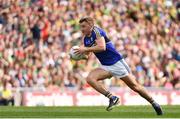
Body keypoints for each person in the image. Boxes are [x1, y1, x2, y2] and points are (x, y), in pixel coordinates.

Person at [74, 16, 163, 115]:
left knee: (135, 87)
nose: (82, 29)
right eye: (81, 27)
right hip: (105, 66)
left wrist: (85, 49)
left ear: (91, 25)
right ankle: (112, 98)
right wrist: (77, 56)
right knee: (90, 79)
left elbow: (102, 47)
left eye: (84, 26)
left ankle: (154, 103)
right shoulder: (86, 39)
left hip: (116, 63)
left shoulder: (97, 31)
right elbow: (87, 55)